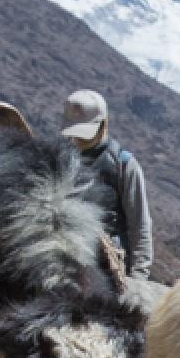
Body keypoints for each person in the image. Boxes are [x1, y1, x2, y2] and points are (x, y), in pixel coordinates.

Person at [61, 90, 154, 278]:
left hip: (110, 268)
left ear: (104, 124)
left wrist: (138, 277)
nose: (79, 140)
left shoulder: (124, 166)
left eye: (84, 134)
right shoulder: (61, 160)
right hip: (68, 261)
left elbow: (140, 225)